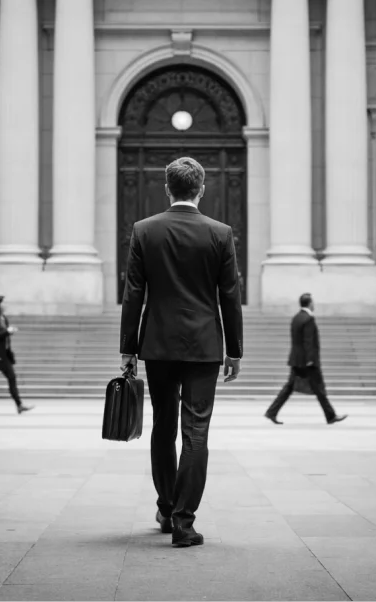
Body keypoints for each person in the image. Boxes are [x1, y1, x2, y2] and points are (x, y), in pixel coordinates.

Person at [120, 157, 243, 548]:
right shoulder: (220, 234)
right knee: (196, 432)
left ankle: (165, 506)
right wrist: (234, 350)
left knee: (163, 427)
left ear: (167, 188)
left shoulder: (144, 231)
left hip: (157, 344)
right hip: (205, 346)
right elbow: (230, 297)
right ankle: (184, 522)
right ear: (201, 189)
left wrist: (128, 349)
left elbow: (133, 294)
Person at [264, 293, 347, 426]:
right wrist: (311, 360)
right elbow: (309, 341)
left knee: (289, 387)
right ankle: (331, 416)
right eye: (313, 302)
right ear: (309, 303)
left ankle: (271, 412)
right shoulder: (308, 319)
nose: (314, 304)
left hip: (296, 359)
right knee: (318, 389)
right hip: (306, 362)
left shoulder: (296, 318)